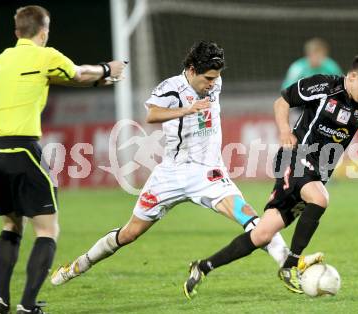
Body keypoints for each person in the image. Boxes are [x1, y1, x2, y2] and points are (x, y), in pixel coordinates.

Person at [50, 41, 322, 296]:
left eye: (216, 78)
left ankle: (287, 265)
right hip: (170, 174)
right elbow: (151, 114)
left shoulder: (213, 81)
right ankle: (79, 265)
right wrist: (187, 110)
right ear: (192, 71)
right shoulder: (170, 88)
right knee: (130, 232)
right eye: (207, 79)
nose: (213, 84)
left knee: (251, 219)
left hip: (209, 173)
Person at [183, 53, 358, 297]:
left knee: (262, 234)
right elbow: (281, 102)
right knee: (320, 198)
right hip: (295, 156)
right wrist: (284, 130)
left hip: (319, 170)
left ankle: (203, 267)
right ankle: (291, 265)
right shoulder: (324, 85)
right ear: (353, 76)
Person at [0, 5, 126, 314]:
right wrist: (106, 70)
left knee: (11, 223)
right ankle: (27, 305)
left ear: (16, 32)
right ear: (44, 32)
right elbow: (77, 71)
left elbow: (41, 80)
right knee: (48, 230)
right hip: (21, 149)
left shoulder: (3, 58)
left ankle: (0, 299)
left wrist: (88, 81)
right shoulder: (45, 55)